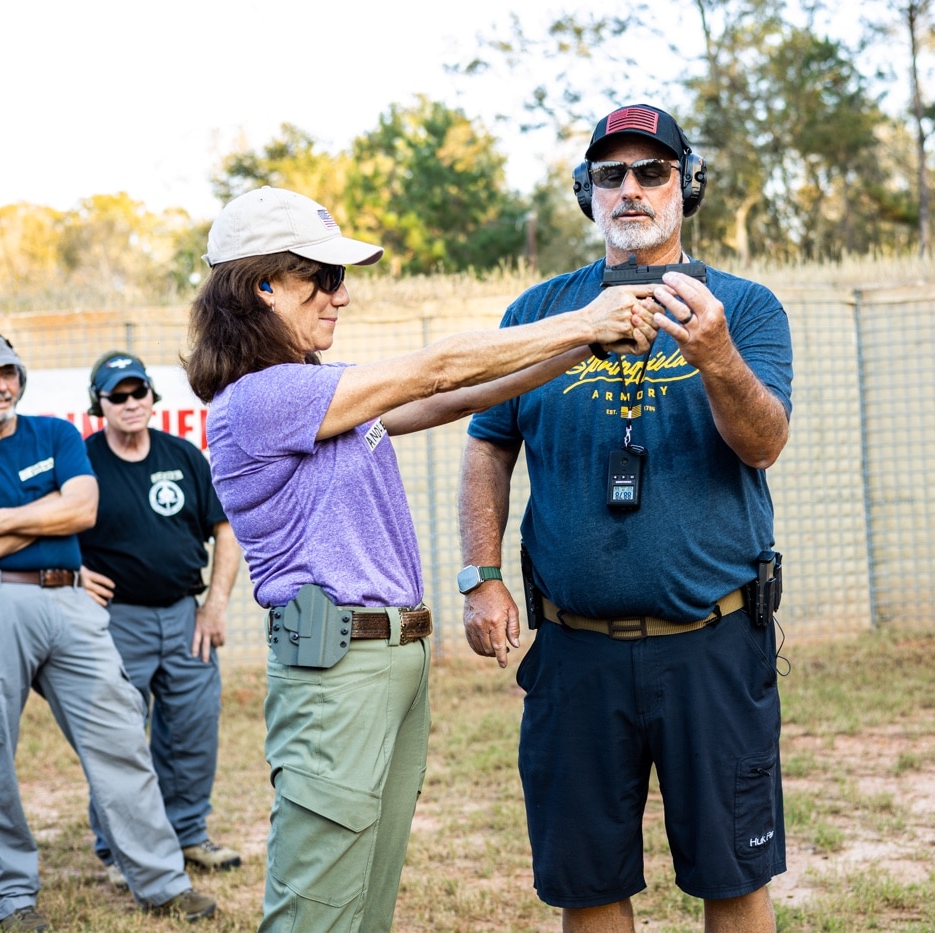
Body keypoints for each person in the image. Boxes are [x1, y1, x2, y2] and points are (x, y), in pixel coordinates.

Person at [182, 185, 659, 933]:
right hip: (339, 669)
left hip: (387, 660)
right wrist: (586, 318)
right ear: (262, 285)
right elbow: (436, 369)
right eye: (324, 278)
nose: (343, 296)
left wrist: (582, 348)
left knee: (364, 905)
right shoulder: (263, 398)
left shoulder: (320, 393)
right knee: (315, 911)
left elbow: (453, 395)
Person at [458, 104, 793, 932]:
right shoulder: (541, 310)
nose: (631, 190)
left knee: (733, 873)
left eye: (652, 172)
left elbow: (763, 444)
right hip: (575, 648)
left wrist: (714, 355)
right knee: (589, 880)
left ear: (688, 185)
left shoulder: (744, 309)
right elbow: (488, 444)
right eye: (611, 175)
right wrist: (483, 576)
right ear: (588, 193)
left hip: (711, 642)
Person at [0, 329, 217, 931]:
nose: (0, 386)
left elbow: (81, 511)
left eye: (8, 373)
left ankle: (161, 883)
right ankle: (12, 899)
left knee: (120, 738)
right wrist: (44, 518)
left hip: (70, 601)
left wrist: (2, 522)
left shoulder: (54, 434)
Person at [77, 350, 243, 889]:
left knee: (193, 730)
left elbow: (225, 530)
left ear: (152, 397)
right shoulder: (82, 462)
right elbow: (52, 530)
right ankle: (116, 848)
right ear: (99, 405)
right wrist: (75, 573)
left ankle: (188, 832)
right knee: (119, 737)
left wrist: (214, 606)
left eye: (138, 392)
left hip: (184, 617)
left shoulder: (184, 456)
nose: (130, 403)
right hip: (114, 622)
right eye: (117, 396)